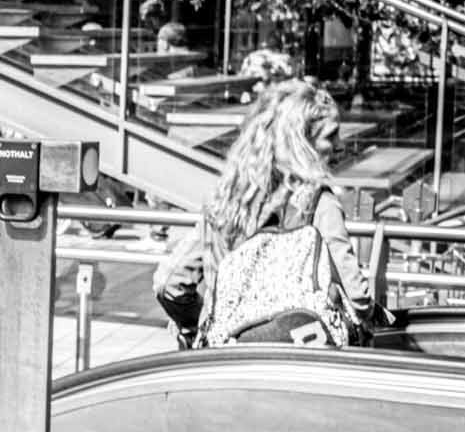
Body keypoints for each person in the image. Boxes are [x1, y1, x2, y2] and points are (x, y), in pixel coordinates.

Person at [152, 79, 372, 348]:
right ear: (300, 141)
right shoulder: (317, 204)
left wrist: (206, 323)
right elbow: (357, 298)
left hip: (226, 356)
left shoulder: (226, 201)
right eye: (331, 135)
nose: (340, 145)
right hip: (299, 357)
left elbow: (168, 283)